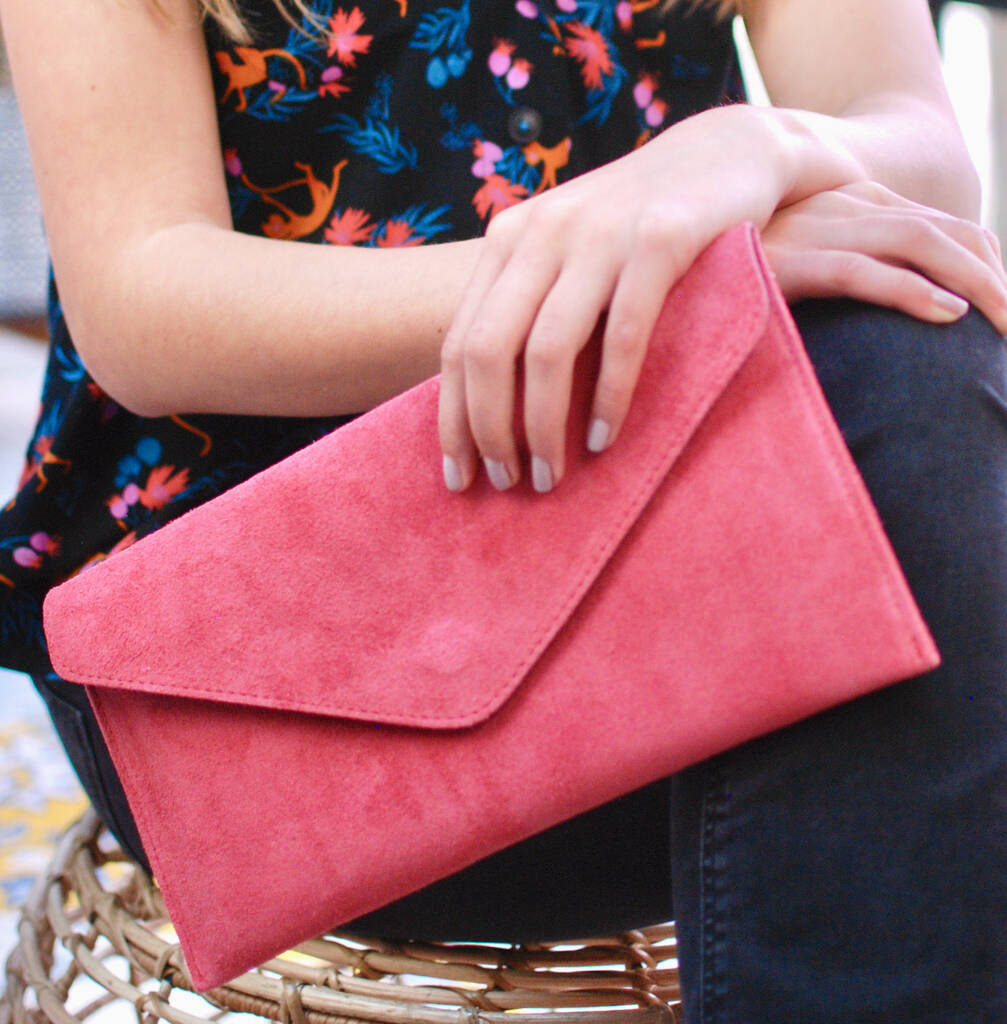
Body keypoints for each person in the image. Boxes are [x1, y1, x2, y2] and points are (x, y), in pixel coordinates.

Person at [1, 0, 1006, 1017]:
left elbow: (915, 146)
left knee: (916, 353)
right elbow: (141, 300)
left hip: (652, 527)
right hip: (257, 656)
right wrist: (614, 265)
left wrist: (751, 150)